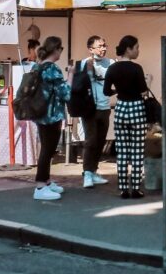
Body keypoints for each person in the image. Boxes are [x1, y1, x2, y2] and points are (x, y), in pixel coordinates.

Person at [104, 35, 149, 199]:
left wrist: (118, 91)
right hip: (136, 108)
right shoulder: (137, 68)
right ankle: (135, 188)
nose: (138, 50)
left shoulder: (112, 68)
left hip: (121, 108)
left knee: (122, 151)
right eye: (136, 47)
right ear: (128, 49)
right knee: (137, 151)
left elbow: (106, 92)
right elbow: (143, 91)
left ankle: (123, 188)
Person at [73, 35, 114, 188]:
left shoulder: (111, 63)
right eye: (99, 46)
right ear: (90, 49)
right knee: (90, 141)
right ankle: (87, 173)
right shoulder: (84, 63)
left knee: (100, 141)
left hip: (105, 107)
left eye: (104, 45)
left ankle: (94, 171)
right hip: (89, 108)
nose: (103, 49)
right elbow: (77, 86)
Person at [33, 36, 70, 202]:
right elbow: (65, 93)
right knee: (48, 150)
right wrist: (71, 75)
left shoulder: (38, 66)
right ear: (56, 49)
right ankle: (40, 186)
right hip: (52, 114)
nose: (61, 52)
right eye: (61, 49)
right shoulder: (53, 69)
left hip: (40, 113)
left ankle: (46, 181)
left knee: (47, 148)